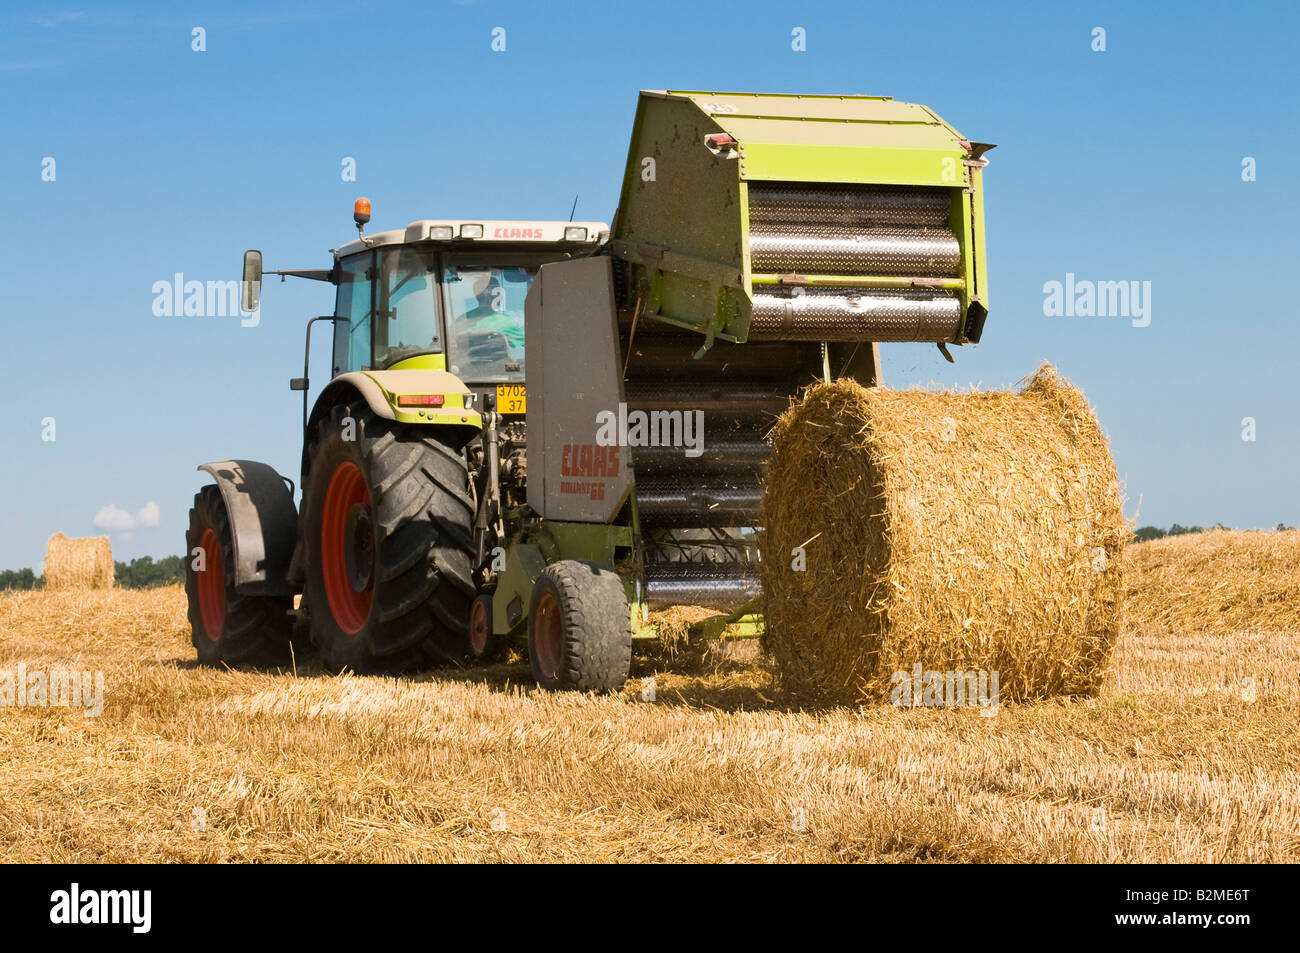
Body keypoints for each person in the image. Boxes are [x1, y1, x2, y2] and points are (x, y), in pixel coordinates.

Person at [462, 272, 524, 350]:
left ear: (476, 294)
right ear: (497, 294)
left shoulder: (462, 319)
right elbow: (529, 346)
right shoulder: (504, 322)